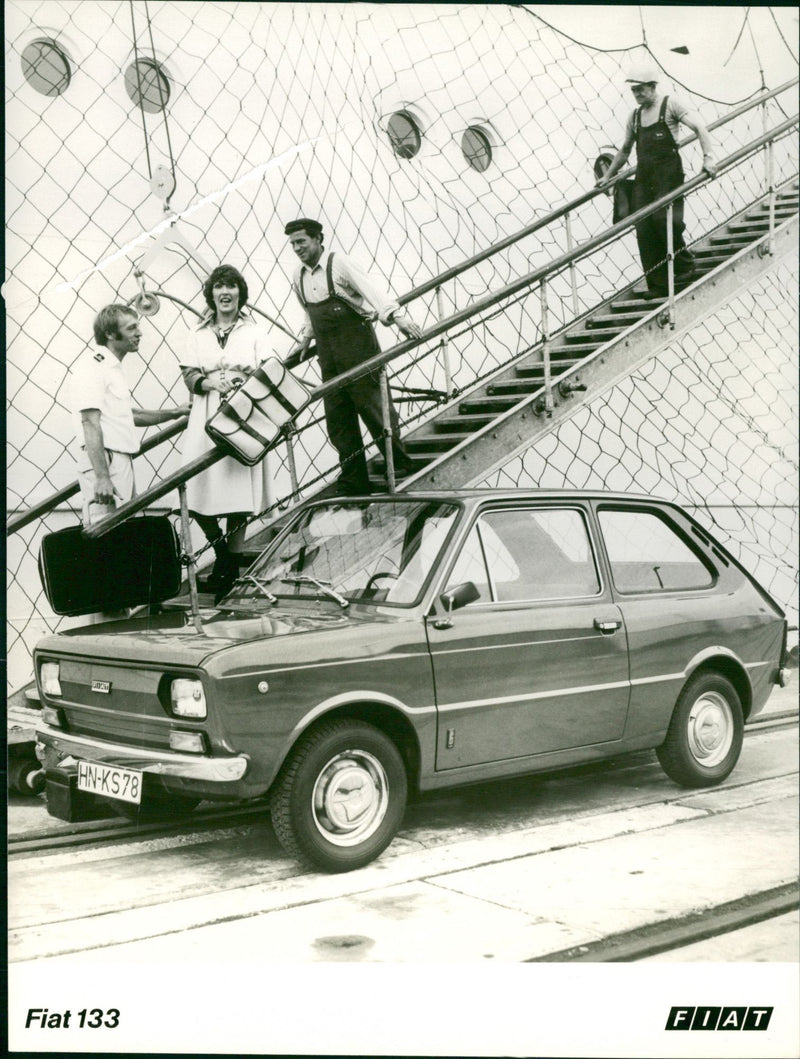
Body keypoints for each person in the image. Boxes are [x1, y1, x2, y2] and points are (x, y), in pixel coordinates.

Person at [284, 218, 423, 496]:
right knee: (338, 417)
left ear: (318, 239)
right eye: (293, 244)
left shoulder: (340, 264)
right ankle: (354, 476)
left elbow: (372, 291)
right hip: (328, 355)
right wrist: (305, 339)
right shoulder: (298, 276)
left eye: (302, 242)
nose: (297, 248)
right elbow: (309, 312)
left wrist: (397, 318)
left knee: (373, 408)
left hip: (357, 346)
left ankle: (399, 463)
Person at [179, 264, 274, 595]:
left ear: (239, 293)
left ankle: (229, 567)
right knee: (194, 486)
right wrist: (208, 381)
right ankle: (221, 552)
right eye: (219, 286)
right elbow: (189, 374)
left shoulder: (255, 332)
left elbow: (271, 372)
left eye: (231, 286)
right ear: (211, 293)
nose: (225, 292)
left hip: (244, 414)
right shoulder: (196, 334)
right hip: (206, 415)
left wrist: (244, 382)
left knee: (238, 494)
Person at [597, 63, 717, 298]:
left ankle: (684, 266)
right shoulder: (635, 116)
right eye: (634, 90)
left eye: (641, 89)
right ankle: (659, 284)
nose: (637, 94)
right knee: (644, 227)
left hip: (668, 173)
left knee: (666, 220)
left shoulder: (670, 105)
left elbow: (700, 128)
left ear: (652, 87)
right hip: (644, 177)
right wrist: (607, 177)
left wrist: (708, 158)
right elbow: (624, 150)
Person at [70, 304, 189, 526]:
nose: (139, 333)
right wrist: (102, 477)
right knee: (107, 533)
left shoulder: (112, 367)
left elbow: (128, 415)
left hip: (118, 460)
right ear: (110, 334)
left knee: (122, 531)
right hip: (106, 461)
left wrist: (176, 412)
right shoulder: (94, 367)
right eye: (131, 328)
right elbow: (89, 422)